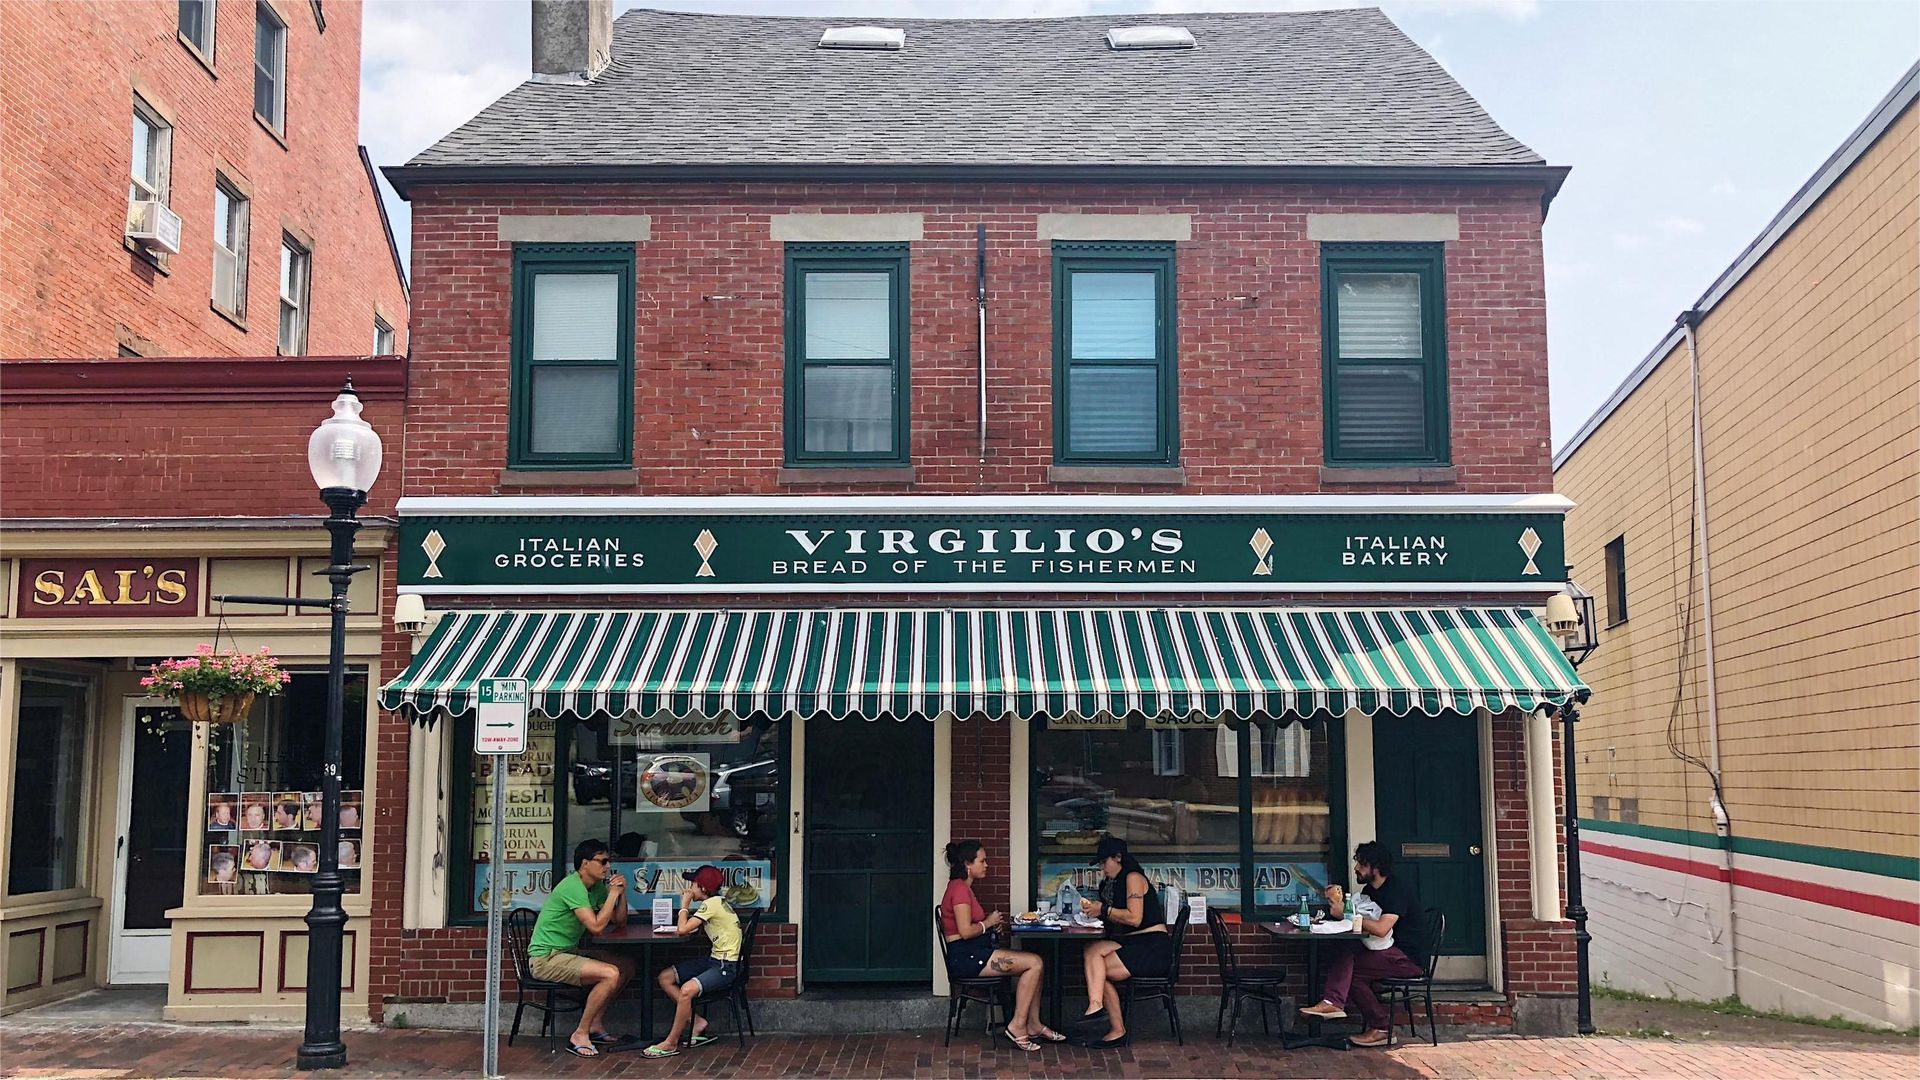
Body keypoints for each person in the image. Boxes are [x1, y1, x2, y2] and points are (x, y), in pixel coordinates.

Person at [1299, 841, 1429, 1048]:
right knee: (1346, 953)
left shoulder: (1397, 890)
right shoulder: (1371, 890)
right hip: (1383, 950)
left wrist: (1347, 916)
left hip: (1406, 957)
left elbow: (1381, 929)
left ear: (1375, 867)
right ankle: (1335, 1005)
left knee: (1349, 971)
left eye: (1361, 864)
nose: (1356, 868)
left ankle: (1379, 1026)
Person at [939, 841, 1066, 1051]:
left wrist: (989, 929)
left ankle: (1033, 1024)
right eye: (982, 860)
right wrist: (987, 923)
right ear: (967, 864)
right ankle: (1017, 1026)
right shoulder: (960, 890)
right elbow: (965, 931)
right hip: (966, 958)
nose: (986, 865)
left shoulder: (963, 888)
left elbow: (972, 928)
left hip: (975, 952)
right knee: (1034, 963)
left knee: (1037, 963)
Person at [526, 839, 638, 1058]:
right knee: (610, 973)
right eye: (602, 861)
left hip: (567, 952)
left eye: (608, 861)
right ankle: (580, 1033)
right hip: (545, 958)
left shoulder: (594, 888)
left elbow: (619, 921)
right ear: (585, 863)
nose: (607, 866)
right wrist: (612, 894)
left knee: (626, 966)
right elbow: (596, 927)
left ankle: (595, 1024)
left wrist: (621, 893)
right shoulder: (573, 886)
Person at [644, 865, 755, 1058]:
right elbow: (692, 927)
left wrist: (684, 904)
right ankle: (696, 1023)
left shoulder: (710, 905)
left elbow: (682, 930)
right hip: (716, 960)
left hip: (726, 966)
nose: (690, 888)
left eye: (693, 884)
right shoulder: (717, 902)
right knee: (666, 977)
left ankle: (670, 1043)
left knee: (686, 990)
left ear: (702, 888)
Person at [1075, 836, 1171, 1048]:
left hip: (1152, 946)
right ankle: (1096, 1006)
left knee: (1099, 973)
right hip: (1133, 941)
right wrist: (1096, 913)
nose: (1102, 868)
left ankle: (1114, 1026)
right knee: (1091, 950)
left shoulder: (1133, 877)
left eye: (1104, 862)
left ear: (1118, 857)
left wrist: (1103, 910)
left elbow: (1134, 918)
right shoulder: (1112, 883)